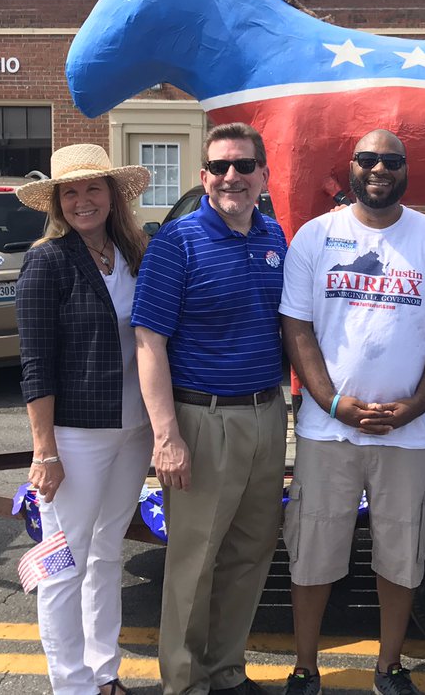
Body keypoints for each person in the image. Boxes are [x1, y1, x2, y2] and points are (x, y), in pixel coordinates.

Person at [279, 129, 425, 695]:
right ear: (352, 168)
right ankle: (306, 667)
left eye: (391, 160)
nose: (379, 168)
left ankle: (389, 667)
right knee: (312, 550)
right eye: (368, 159)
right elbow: (297, 325)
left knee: (402, 553)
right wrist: (331, 401)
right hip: (326, 430)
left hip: (407, 434)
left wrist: (415, 405)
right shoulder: (316, 237)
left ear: (406, 169)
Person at [132, 122, 288, 695]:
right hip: (203, 420)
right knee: (194, 563)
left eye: (244, 166)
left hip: (267, 415)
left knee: (250, 554)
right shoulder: (177, 243)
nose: (232, 178)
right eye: (220, 167)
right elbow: (149, 341)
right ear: (203, 177)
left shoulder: (275, 238)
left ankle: (225, 672)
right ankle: (185, 682)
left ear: (263, 176)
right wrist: (166, 435)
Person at [15, 143, 154, 695]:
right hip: (75, 435)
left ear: (113, 194)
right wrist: (43, 448)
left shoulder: (131, 251)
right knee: (64, 560)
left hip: (134, 426)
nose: (82, 200)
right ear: (56, 203)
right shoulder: (47, 260)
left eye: (93, 188)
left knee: (107, 553)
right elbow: (34, 363)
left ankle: (104, 672)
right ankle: (70, 685)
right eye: (69, 192)